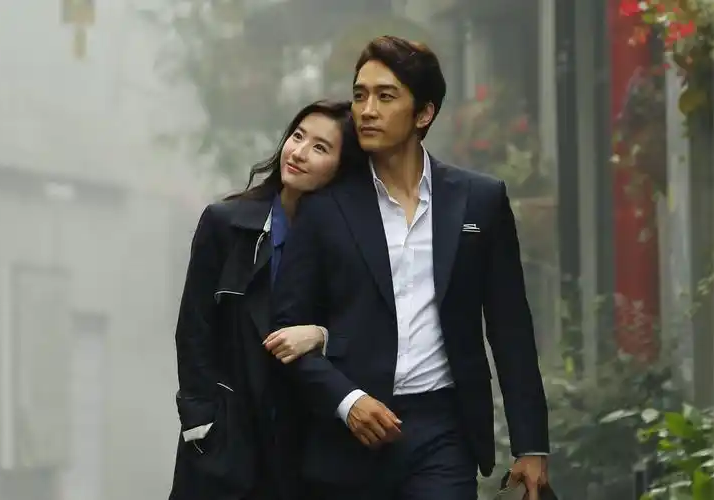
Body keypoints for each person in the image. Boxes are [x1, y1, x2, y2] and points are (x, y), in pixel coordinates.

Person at [272, 36, 551, 500]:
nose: (367, 110)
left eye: (385, 96)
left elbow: (510, 328)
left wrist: (531, 444)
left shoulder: (479, 200)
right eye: (360, 95)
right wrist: (347, 401)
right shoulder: (325, 208)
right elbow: (286, 327)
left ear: (424, 113)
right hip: (347, 437)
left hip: (442, 433)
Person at [170, 99, 365, 500]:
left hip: (305, 450)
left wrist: (321, 334)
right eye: (298, 136)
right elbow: (194, 330)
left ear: (343, 167)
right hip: (225, 443)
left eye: (320, 147)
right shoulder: (225, 224)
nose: (299, 152)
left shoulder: (352, 245)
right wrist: (201, 423)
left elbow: (365, 329)